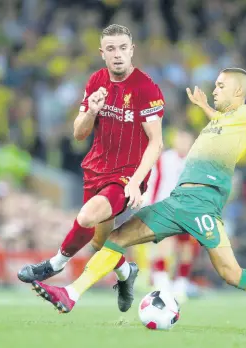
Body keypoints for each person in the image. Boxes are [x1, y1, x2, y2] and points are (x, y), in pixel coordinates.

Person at [30, 62, 246, 337]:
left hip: (203, 205)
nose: (215, 90)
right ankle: (71, 294)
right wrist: (204, 108)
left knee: (231, 274)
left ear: (238, 92)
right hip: (176, 200)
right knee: (114, 239)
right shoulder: (218, 120)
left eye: (220, 86)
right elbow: (222, 122)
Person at [17, 24, 164, 313]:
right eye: (111, 49)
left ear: (132, 50)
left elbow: (156, 143)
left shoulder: (146, 88)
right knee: (99, 242)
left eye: (123, 48)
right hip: (96, 170)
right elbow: (79, 133)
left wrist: (135, 182)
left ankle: (54, 265)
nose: (118, 54)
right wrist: (92, 111)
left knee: (86, 216)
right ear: (102, 53)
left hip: (125, 176)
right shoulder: (96, 80)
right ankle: (126, 273)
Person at [144, 129, 198, 300]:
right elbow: (154, 181)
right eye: (179, 140)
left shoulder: (196, 162)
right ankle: (161, 280)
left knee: (186, 248)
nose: (182, 144)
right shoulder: (164, 159)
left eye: (186, 141)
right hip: (165, 207)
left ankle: (181, 283)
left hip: (188, 211)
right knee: (164, 244)